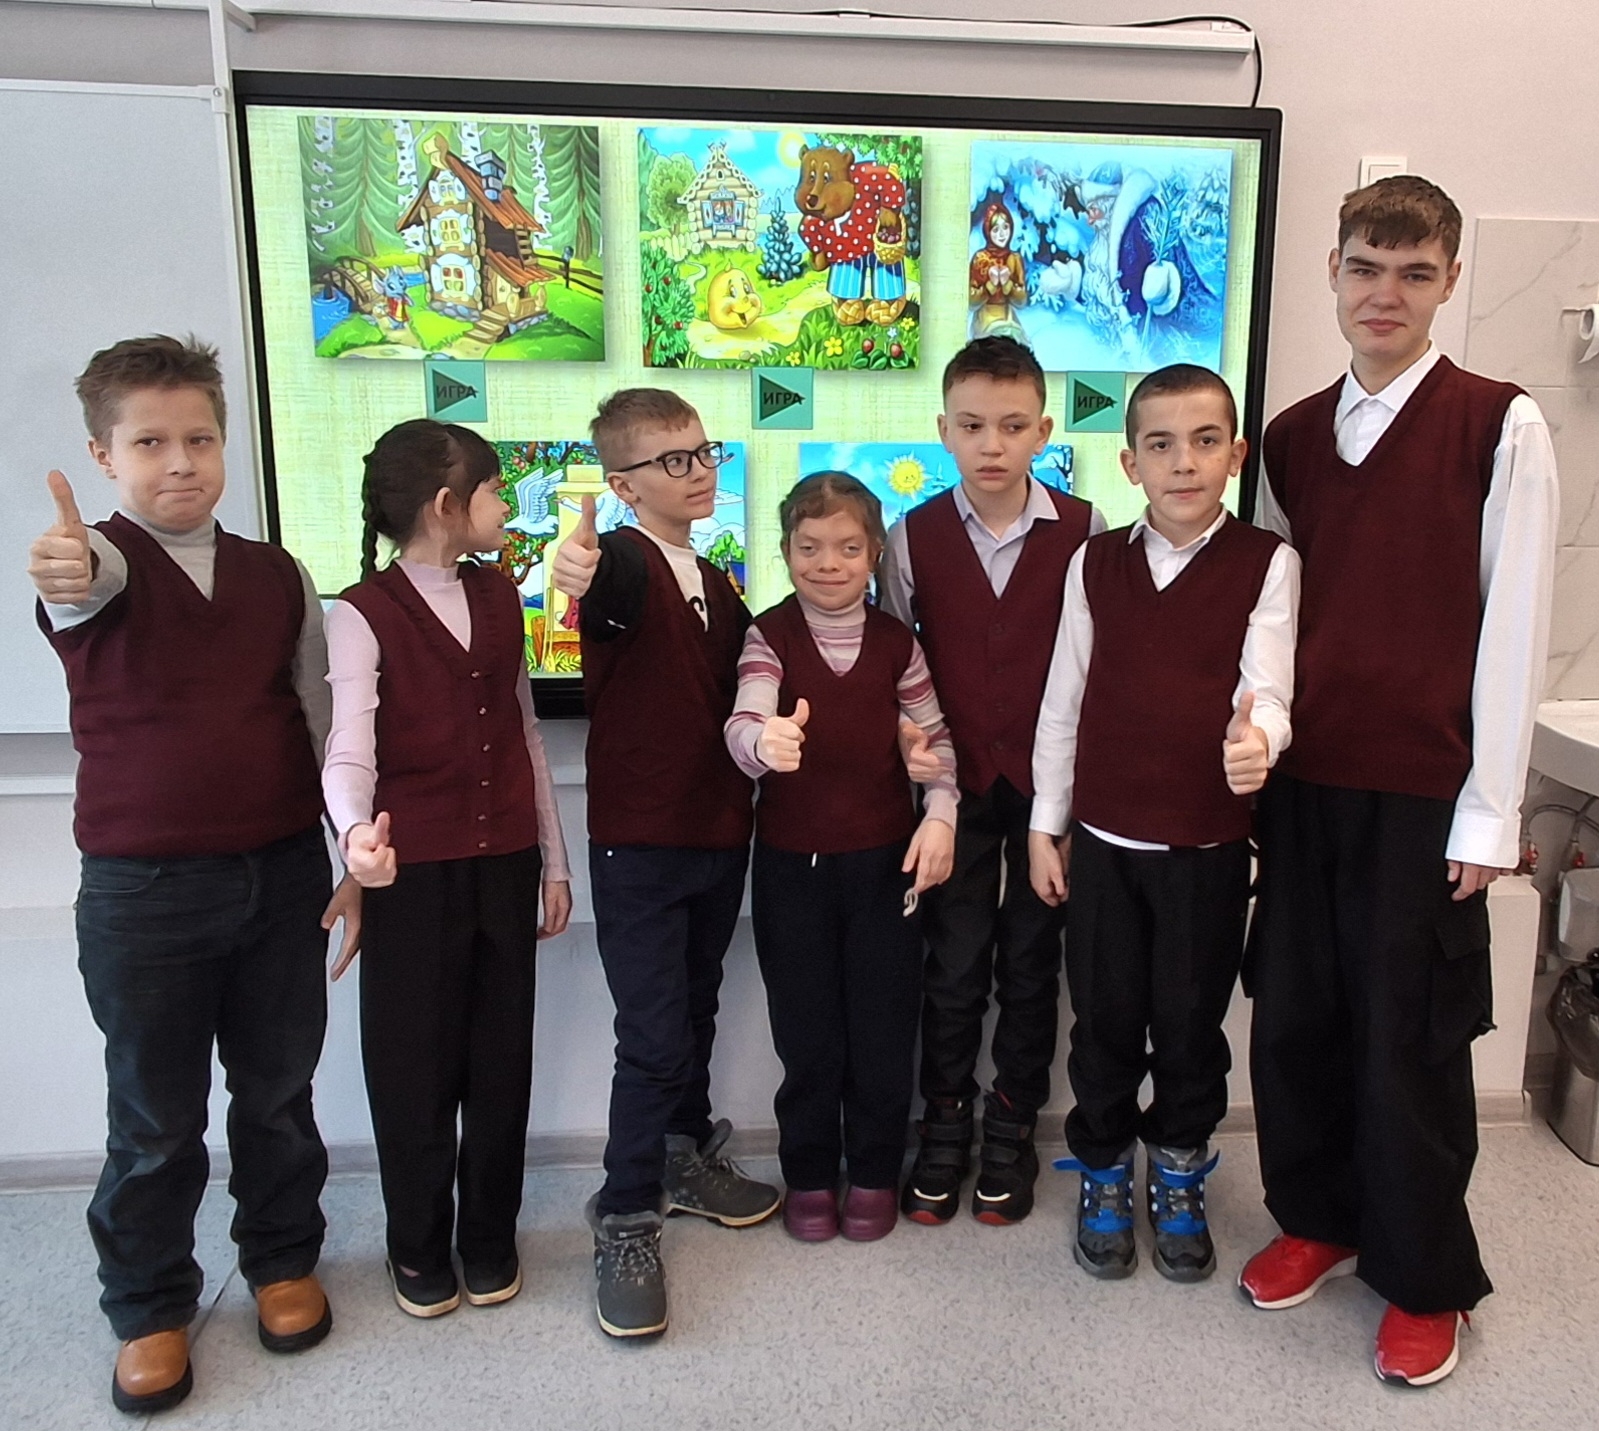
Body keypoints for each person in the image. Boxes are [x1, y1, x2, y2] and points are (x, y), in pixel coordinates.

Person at [1243, 175, 1559, 1386]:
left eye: (1415, 273)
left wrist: (1491, 810)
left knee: (1408, 1039)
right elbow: (1269, 620)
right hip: (1305, 785)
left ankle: (1427, 1277)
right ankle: (1319, 1219)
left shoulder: (1498, 424)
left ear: (1449, 283)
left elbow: (1515, 622)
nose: (1386, 293)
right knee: (1297, 1021)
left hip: (1428, 794)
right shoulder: (1289, 437)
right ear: (1332, 270)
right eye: (1367, 268)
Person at [27, 335, 356, 1414]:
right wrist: (69, 567)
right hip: (146, 894)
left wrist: (349, 852)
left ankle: (281, 1258)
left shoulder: (276, 574)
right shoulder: (97, 565)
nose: (180, 462)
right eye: (150, 443)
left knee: (278, 1094)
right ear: (104, 455)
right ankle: (149, 1304)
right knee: (155, 1118)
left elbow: (319, 721)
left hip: (283, 871)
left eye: (200, 439)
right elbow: (81, 582)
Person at [1028, 364, 1298, 1283]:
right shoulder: (1094, 563)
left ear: (1235, 454)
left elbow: (1268, 689)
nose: (1183, 461)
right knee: (1102, 1021)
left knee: (1188, 1025)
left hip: (1206, 850)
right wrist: (1046, 822)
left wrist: (1258, 740)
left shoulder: (1267, 563)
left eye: (1204, 440)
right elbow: (1064, 698)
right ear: (1129, 462)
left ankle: (1178, 1168)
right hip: (1104, 845)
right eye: (1160, 443)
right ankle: (1104, 1169)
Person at [323, 419, 571, 1321]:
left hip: (503, 864)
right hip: (411, 875)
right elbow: (347, 749)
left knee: (501, 1065)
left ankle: (490, 1238)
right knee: (412, 1071)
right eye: (496, 490)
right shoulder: (360, 612)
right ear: (444, 505)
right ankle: (418, 1245)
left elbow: (526, 735)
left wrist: (553, 859)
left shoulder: (501, 595)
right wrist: (355, 837)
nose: (507, 506)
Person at [550, 389, 779, 1340]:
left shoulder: (713, 577)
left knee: (693, 1008)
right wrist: (576, 566)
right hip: (641, 843)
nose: (699, 470)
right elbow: (594, 582)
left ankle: (683, 1155)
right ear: (623, 485)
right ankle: (625, 1215)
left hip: (715, 832)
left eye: (703, 451)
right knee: (649, 1035)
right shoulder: (629, 562)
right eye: (672, 460)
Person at [879, 335, 1103, 1226]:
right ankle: (944, 1121)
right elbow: (893, 660)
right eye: (971, 425)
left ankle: (1011, 1123)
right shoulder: (911, 536)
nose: (991, 444)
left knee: (1032, 961)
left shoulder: (1085, 531)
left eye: (1013, 425)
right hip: (953, 788)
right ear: (943, 429)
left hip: (1051, 789)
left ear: (1043, 430)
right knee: (953, 960)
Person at [725, 472, 958, 1243]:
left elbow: (935, 743)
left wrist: (939, 809)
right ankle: (809, 1175)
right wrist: (763, 741)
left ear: (873, 554)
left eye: (848, 548)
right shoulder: (768, 636)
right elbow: (744, 719)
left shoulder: (897, 644)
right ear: (786, 550)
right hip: (790, 871)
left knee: (883, 1032)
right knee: (807, 1036)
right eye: (810, 547)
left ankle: (874, 1173)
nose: (828, 563)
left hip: (884, 869)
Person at [968, 200, 1029, 341]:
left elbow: (1021, 301)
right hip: (985, 317)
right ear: (988, 232)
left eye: (1005, 227)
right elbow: (971, 302)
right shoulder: (981, 259)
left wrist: (1008, 284)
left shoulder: (1014, 259)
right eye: (996, 230)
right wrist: (991, 285)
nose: (1002, 234)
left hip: (1007, 315)